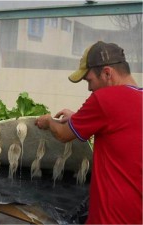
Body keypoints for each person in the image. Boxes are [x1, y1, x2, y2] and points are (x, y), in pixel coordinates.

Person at [35, 41, 142, 224]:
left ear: (107, 73)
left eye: (89, 80)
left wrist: (48, 121)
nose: (89, 88)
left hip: (109, 218)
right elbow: (119, 128)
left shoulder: (104, 99)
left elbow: (62, 134)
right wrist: (79, 118)